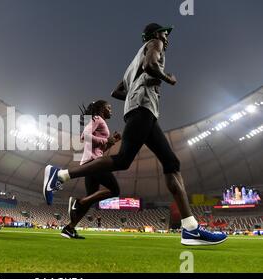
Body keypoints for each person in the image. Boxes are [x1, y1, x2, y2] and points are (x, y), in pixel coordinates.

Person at [43, 23, 227, 246]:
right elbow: (151, 65)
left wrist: (137, 90)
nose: (166, 38)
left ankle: (190, 228)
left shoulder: (132, 65)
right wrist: (168, 78)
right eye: (163, 33)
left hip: (141, 109)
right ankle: (60, 175)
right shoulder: (154, 44)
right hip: (143, 109)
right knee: (123, 160)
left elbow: (117, 91)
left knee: (171, 162)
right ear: (153, 35)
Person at [60, 100, 121, 239]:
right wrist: (106, 141)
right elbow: (85, 136)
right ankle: (78, 202)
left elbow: (100, 148)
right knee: (115, 190)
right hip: (95, 162)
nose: (111, 110)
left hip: (92, 162)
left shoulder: (100, 122)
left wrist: (112, 141)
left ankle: (69, 228)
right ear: (101, 109)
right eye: (109, 108)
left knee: (90, 198)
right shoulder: (98, 119)